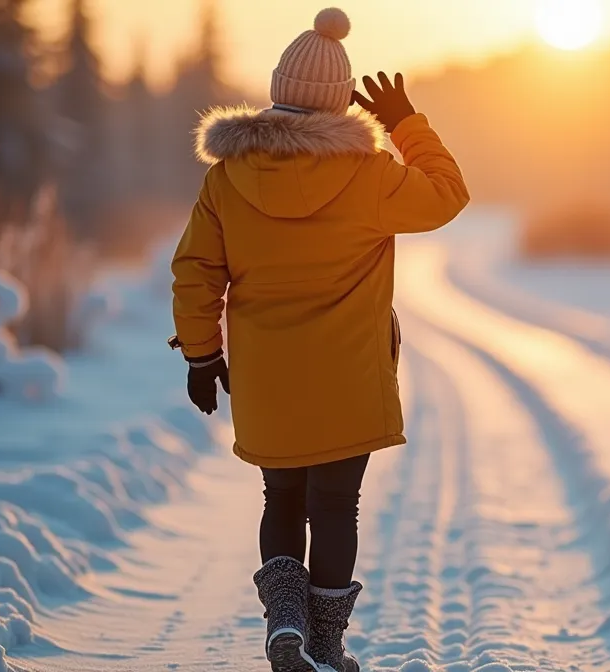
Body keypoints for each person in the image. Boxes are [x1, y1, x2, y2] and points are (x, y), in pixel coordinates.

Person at [168, 7, 469, 671]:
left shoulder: (226, 178)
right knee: (335, 506)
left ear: (277, 90)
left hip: (266, 377)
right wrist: (406, 125)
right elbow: (448, 195)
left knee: (282, 498)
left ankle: (285, 622)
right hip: (349, 379)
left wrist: (201, 353)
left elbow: (196, 271)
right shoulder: (371, 177)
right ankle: (327, 645)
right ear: (342, 100)